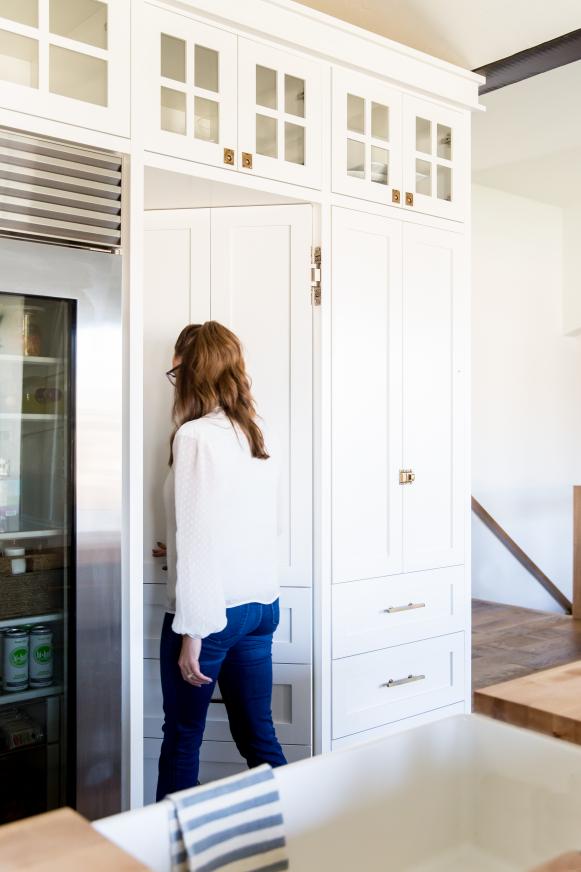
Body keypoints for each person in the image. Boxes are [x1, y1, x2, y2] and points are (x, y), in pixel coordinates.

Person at [154, 321, 286, 800]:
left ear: (192, 371)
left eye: (175, 371)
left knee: (184, 737)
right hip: (261, 606)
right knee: (259, 737)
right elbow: (252, 523)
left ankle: (167, 855)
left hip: (210, 614)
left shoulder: (192, 436)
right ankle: (300, 835)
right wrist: (174, 542)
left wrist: (192, 633)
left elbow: (200, 539)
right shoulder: (252, 434)